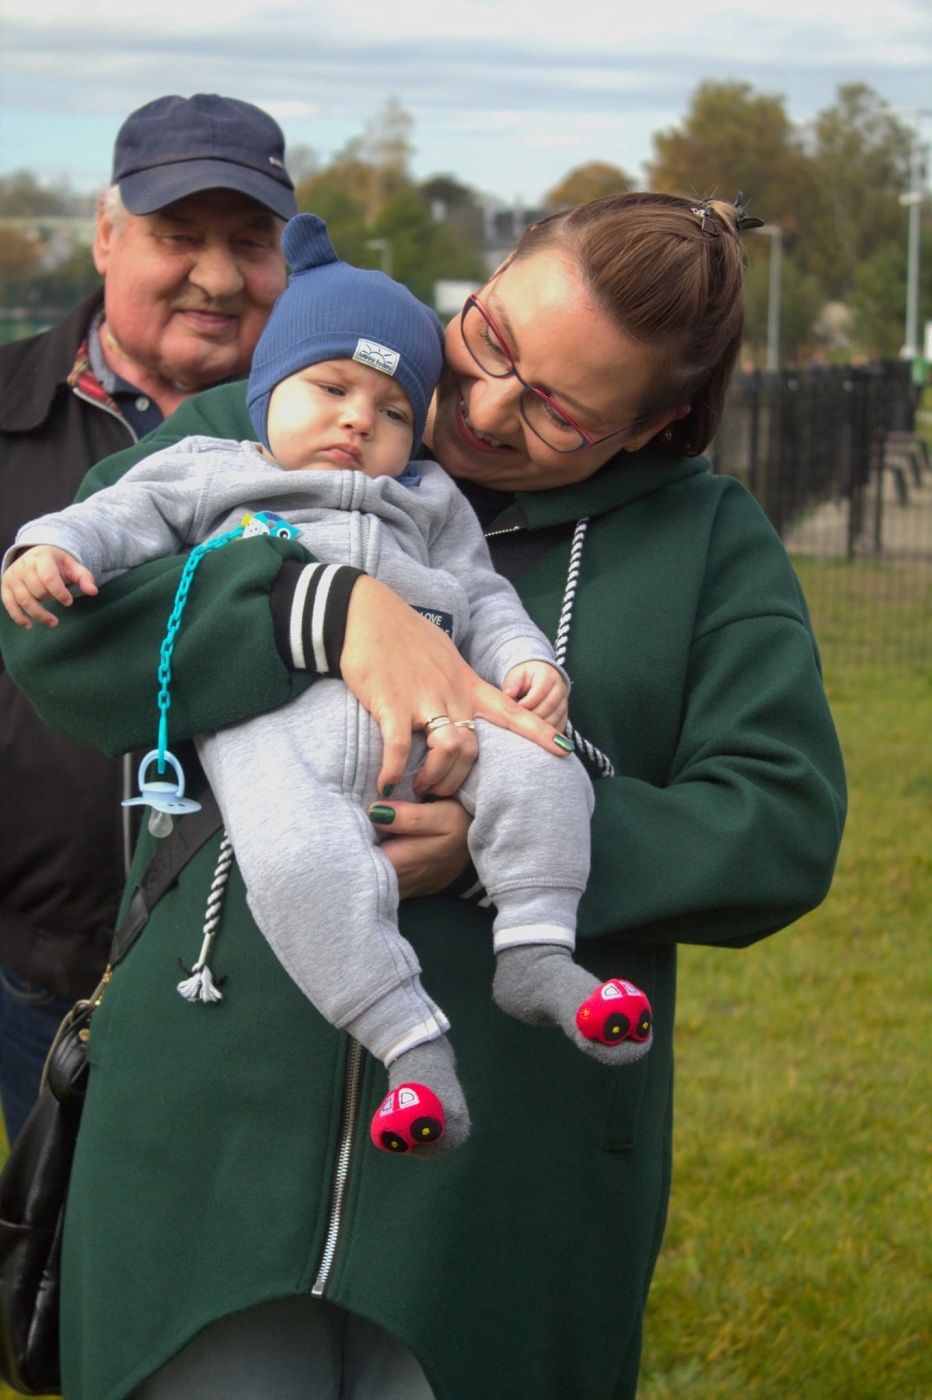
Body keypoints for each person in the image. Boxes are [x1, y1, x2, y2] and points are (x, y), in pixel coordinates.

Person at [0, 192, 846, 1400]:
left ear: (656, 420)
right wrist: (325, 614)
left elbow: (779, 818)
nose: (487, 409)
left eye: (558, 408)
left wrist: (512, 840)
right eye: (489, 339)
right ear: (485, 281)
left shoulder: (706, 539)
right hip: (201, 1144)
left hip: (501, 1184)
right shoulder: (278, 420)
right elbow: (56, 630)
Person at [3, 212, 654, 1158]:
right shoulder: (208, 471)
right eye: (331, 387)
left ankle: (540, 949)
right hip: (275, 734)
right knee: (297, 867)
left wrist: (527, 666)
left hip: (443, 723)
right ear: (268, 391)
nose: (361, 418)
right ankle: (410, 1047)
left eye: (395, 410)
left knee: (546, 767)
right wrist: (47, 546)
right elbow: (116, 518)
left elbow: (481, 597)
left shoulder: (428, 502)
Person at [0, 92, 295, 1141]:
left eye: (250, 243)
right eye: (179, 236)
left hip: (276, 974)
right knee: (49, 1264)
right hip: (37, 968)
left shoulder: (349, 440)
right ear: (105, 233)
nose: (217, 277)